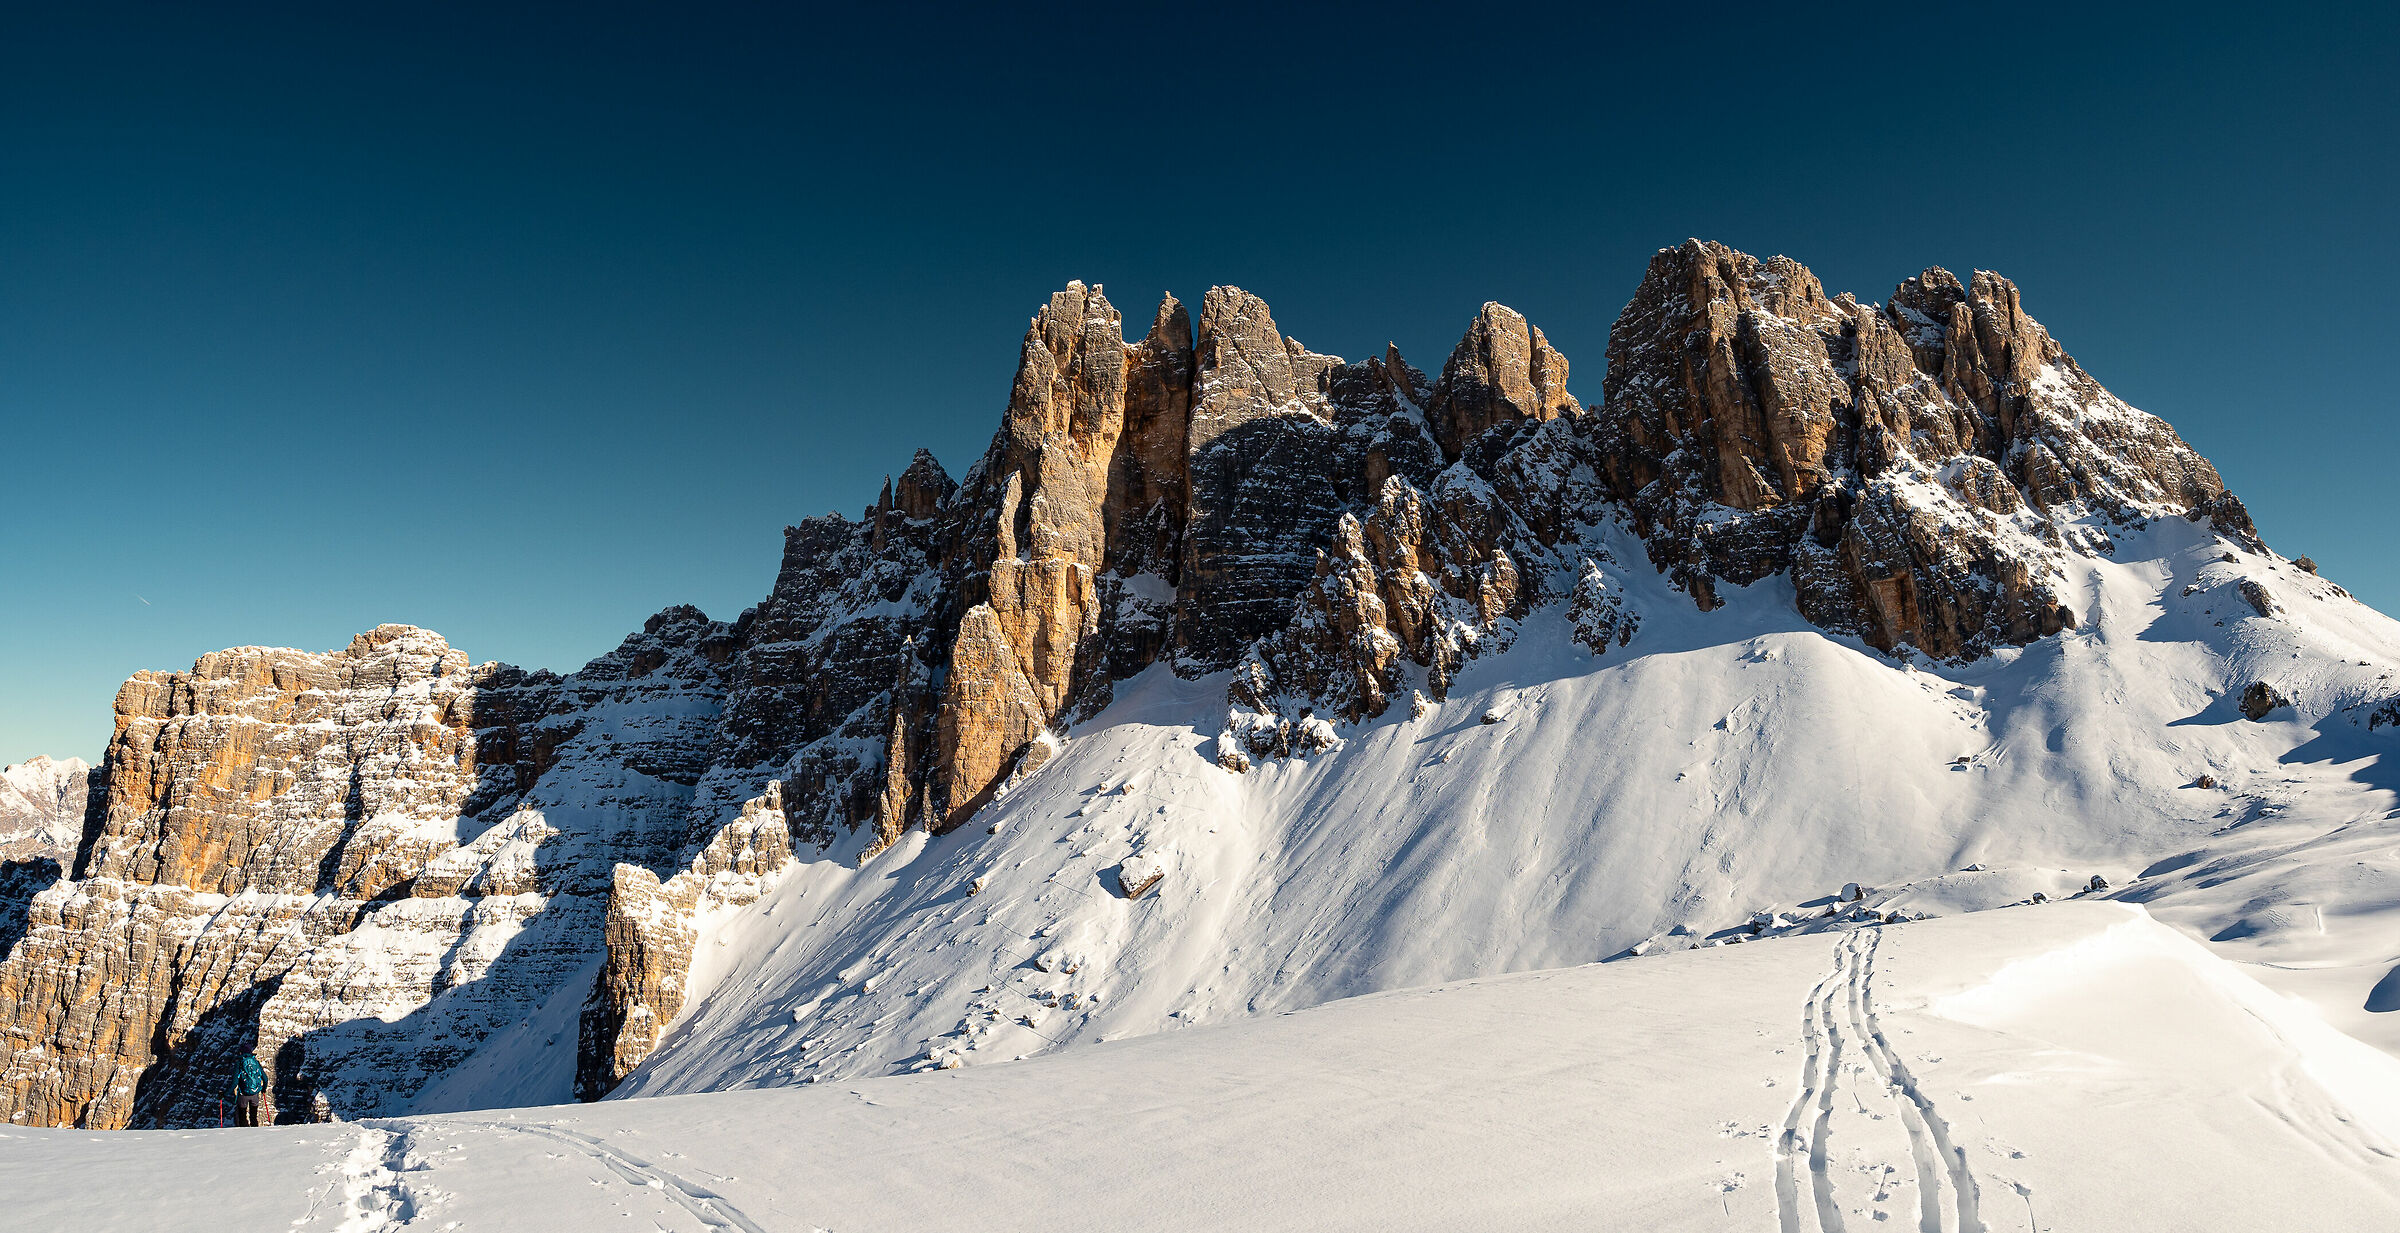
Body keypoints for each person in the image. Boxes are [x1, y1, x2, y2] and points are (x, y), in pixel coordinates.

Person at [230, 1051, 268, 1127]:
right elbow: (265, 1078)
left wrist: (224, 1094)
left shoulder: (239, 1063)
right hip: (255, 1093)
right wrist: (263, 1089)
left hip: (243, 1094)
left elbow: (234, 1083)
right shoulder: (255, 1062)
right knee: (253, 1117)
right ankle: (255, 1134)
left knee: (242, 1117)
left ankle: (244, 1136)